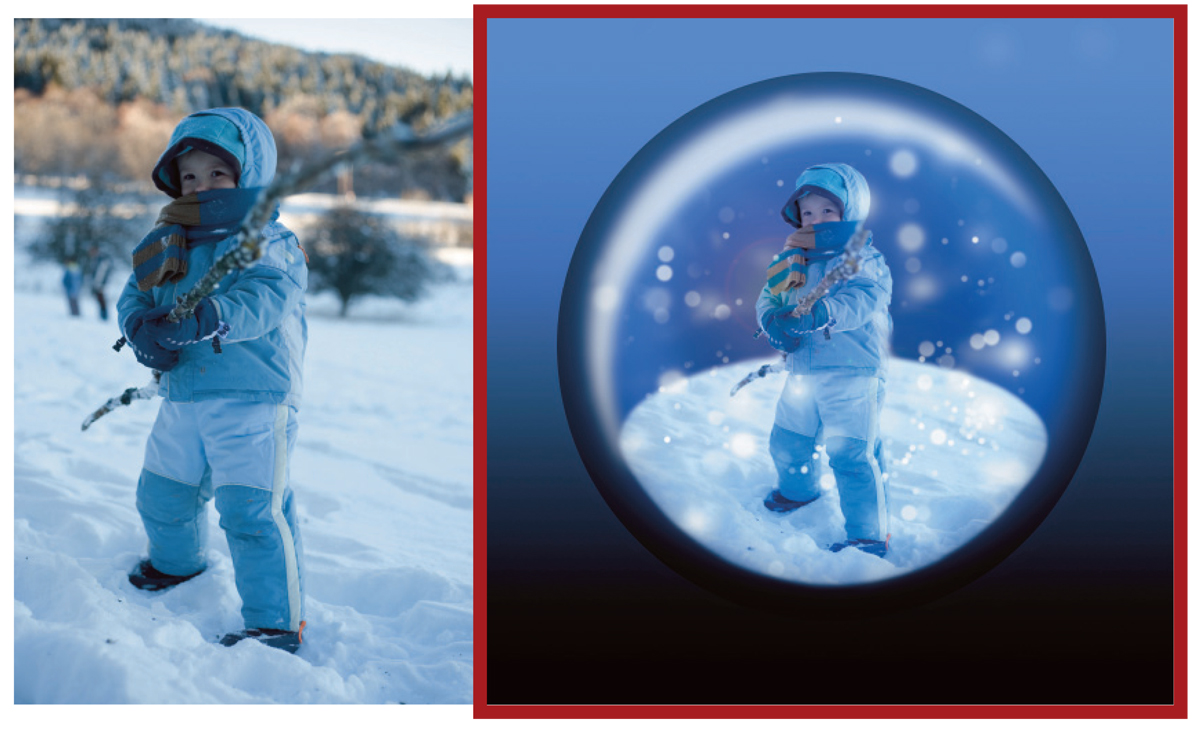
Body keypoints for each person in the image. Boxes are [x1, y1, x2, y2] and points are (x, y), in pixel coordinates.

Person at [116, 107, 309, 652]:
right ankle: (176, 564)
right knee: (162, 494)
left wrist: (206, 318)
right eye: (189, 176)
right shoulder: (167, 240)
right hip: (183, 392)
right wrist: (138, 326)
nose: (200, 186)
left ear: (249, 175)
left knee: (252, 513)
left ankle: (274, 623)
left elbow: (266, 299)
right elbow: (135, 293)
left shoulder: (270, 241)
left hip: (252, 396)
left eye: (216, 174)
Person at [755, 162, 893, 557]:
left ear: (850, 212)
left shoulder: (864, 258)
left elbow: (865, 298)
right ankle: (799, 491)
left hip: (852, 373)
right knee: (788, 440)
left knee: (851, 455)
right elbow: (770, 295)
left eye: (827, 211)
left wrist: (821, 312)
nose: (815, 219)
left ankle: (868, 535)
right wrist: (770, 319)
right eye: (807, 212)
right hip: (803, 370)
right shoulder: (792, 259)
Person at [83, 244, 114, 320]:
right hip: (98, 283)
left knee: (102, 300)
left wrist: (100, 284)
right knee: (99, 299)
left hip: (100, 284)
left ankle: (104, 317)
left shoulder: (102, 259)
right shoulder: (96, 259)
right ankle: (103, 316)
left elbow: (101, 273)